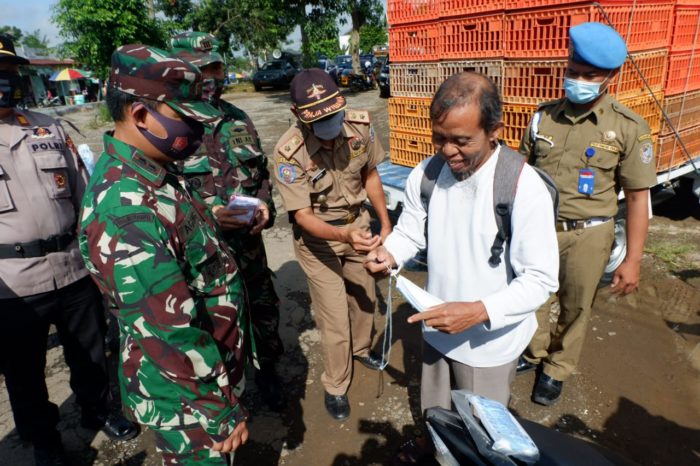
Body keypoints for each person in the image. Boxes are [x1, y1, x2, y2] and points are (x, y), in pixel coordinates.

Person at [79, 44, 251, 465]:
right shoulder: (124, 210)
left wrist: (210, 217)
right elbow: (168, 331)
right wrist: (220, 409)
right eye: (186, 119)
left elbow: (173, 232)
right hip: (188, 401)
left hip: (204, 377)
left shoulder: (149, 167)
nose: (194, 131)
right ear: (140, 115)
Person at [366, 72, 559, 413]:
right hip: (437, 330)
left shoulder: (522, 187)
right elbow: (411, 229)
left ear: (494, 131)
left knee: (481, 427)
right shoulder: (426, 174)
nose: (448, 151)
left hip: (490, 343)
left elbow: (540, 280)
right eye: (439, 138)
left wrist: (478, 312)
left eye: (462, 141)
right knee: (437, 414)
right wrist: (390, 254)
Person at [0, 34, 137, 466]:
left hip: (73, 267)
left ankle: (96, 410)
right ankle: (45, 442)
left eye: (8, 72)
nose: (4, 81)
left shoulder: (48, 126)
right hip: (14, 285)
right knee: (24, 373)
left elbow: (85, 195)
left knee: (91, 352)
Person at [517, 22, 657, 406]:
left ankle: (557, 368)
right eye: (573, 71)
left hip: (588, 234)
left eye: (589, 76)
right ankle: (533, 353)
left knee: (576, 306)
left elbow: (637, 198)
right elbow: (521, 171)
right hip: (538, 226)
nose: (577, 81)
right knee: (533, 297)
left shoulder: (627, 128)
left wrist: (632, 260)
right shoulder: (543, 116)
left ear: (610, 77)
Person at [169, 32, 285, 410]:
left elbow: (262, 175)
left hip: (250, 249)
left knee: (263, 310)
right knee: (212, 324)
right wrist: (209, 217)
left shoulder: (239, 119)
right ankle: (221, 394)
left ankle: (268, 373)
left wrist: (265, 209)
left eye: (216, 66)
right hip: (202, 257)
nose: (211, 76)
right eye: (202, 69)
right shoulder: (172, 126)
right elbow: (164, 195)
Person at [272, 68, 392, 420]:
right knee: (334, 319)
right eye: (319, 119)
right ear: (299, 116)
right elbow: (303, 217)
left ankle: (362, 349)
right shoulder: (288, 152)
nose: (329, 124)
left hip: (360, 226)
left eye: (333, 114)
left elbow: (370, 175)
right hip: (319, 242)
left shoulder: (359, 127)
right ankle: (337, 384)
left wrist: (385, 224)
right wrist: (343, 236)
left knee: (366, 299)